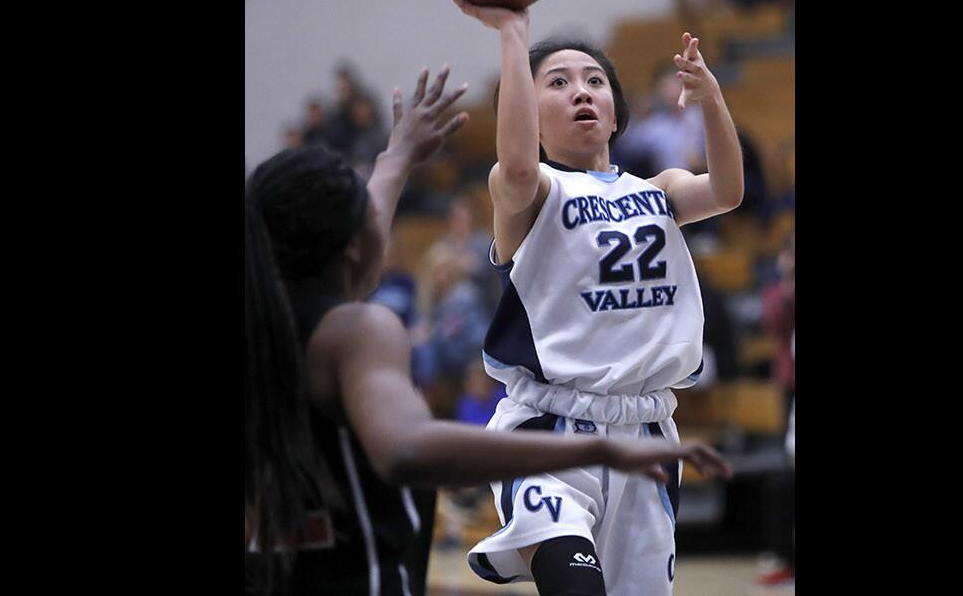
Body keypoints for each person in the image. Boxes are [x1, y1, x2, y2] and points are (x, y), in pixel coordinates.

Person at [245, 65, 733, 596]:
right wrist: (595, 452)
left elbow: (355, 244)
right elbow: (405, 447)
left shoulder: (281, 323)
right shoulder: (359, 332)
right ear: (355, 246)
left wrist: (397, 157)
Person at [448, 0, 748, 594]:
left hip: (645, 437)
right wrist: (513, 33)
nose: (580, 90)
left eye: (593, 81)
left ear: (615, 111)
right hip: (548, 435)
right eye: (556, 83)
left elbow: (727, 191)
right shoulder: (529, 195)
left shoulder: (659, 189)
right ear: (527, 113)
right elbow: (518, 164)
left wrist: (712, 99)